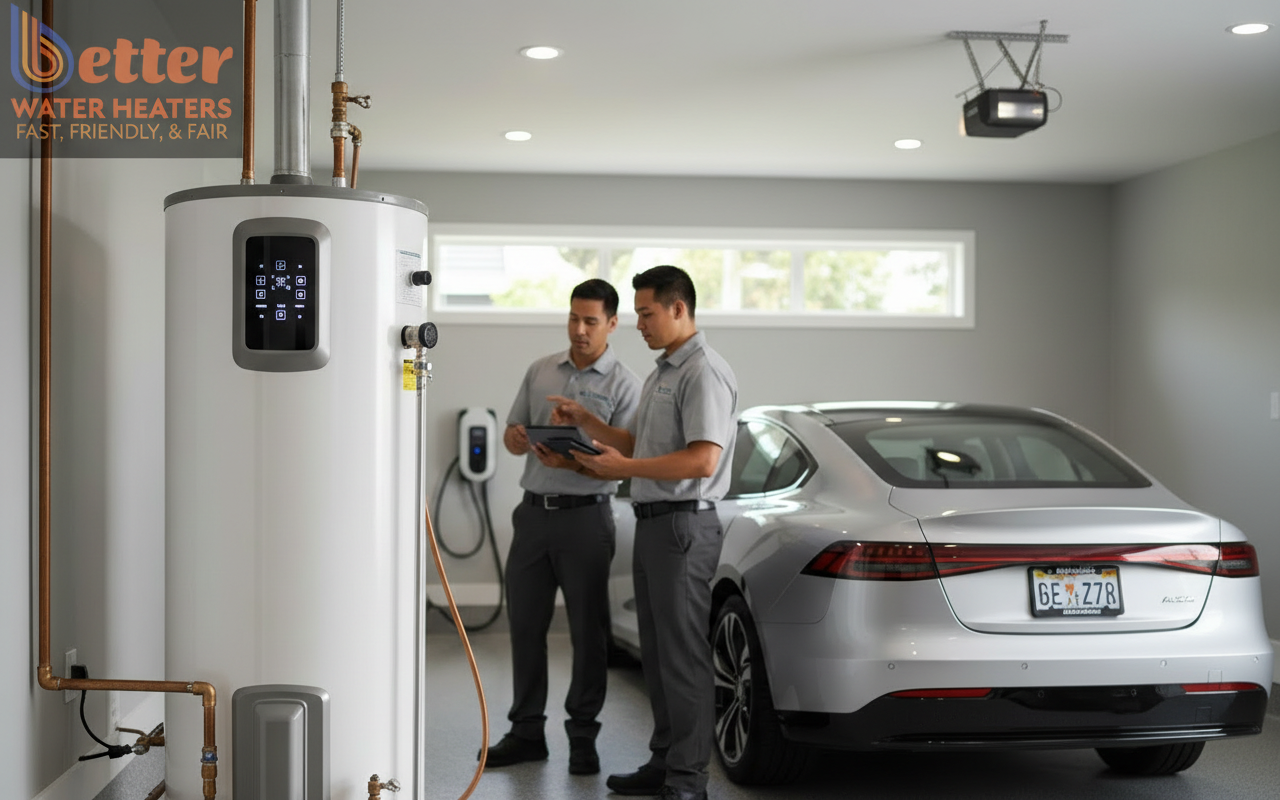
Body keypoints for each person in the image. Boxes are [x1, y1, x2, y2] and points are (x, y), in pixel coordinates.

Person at [550, 265, 738, 800]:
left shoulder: (703, 371)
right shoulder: (663, 371)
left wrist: (620, 472)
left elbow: (702, 460)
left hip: (683, 527)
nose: (638, 323)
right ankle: (664, 763)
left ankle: (688, 782)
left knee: (683, 661)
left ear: (679, 309)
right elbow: (639, 447)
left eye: (646, 313)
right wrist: (586, 422)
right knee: (655, 658)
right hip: (654, 526)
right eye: (636, 313)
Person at [481, 279, 641, 776]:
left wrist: (578, 456)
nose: (579, 329)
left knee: (588, 634)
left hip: (586, 519)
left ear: (612, 324)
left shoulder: (625, 384)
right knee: (525, 628)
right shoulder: (540, 369)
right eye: (573, 318)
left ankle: (582, 736)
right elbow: (511, 439)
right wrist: (514, 436)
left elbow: (628, 456)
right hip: (532, 517)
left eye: (590, 321)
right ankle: (527, 731)